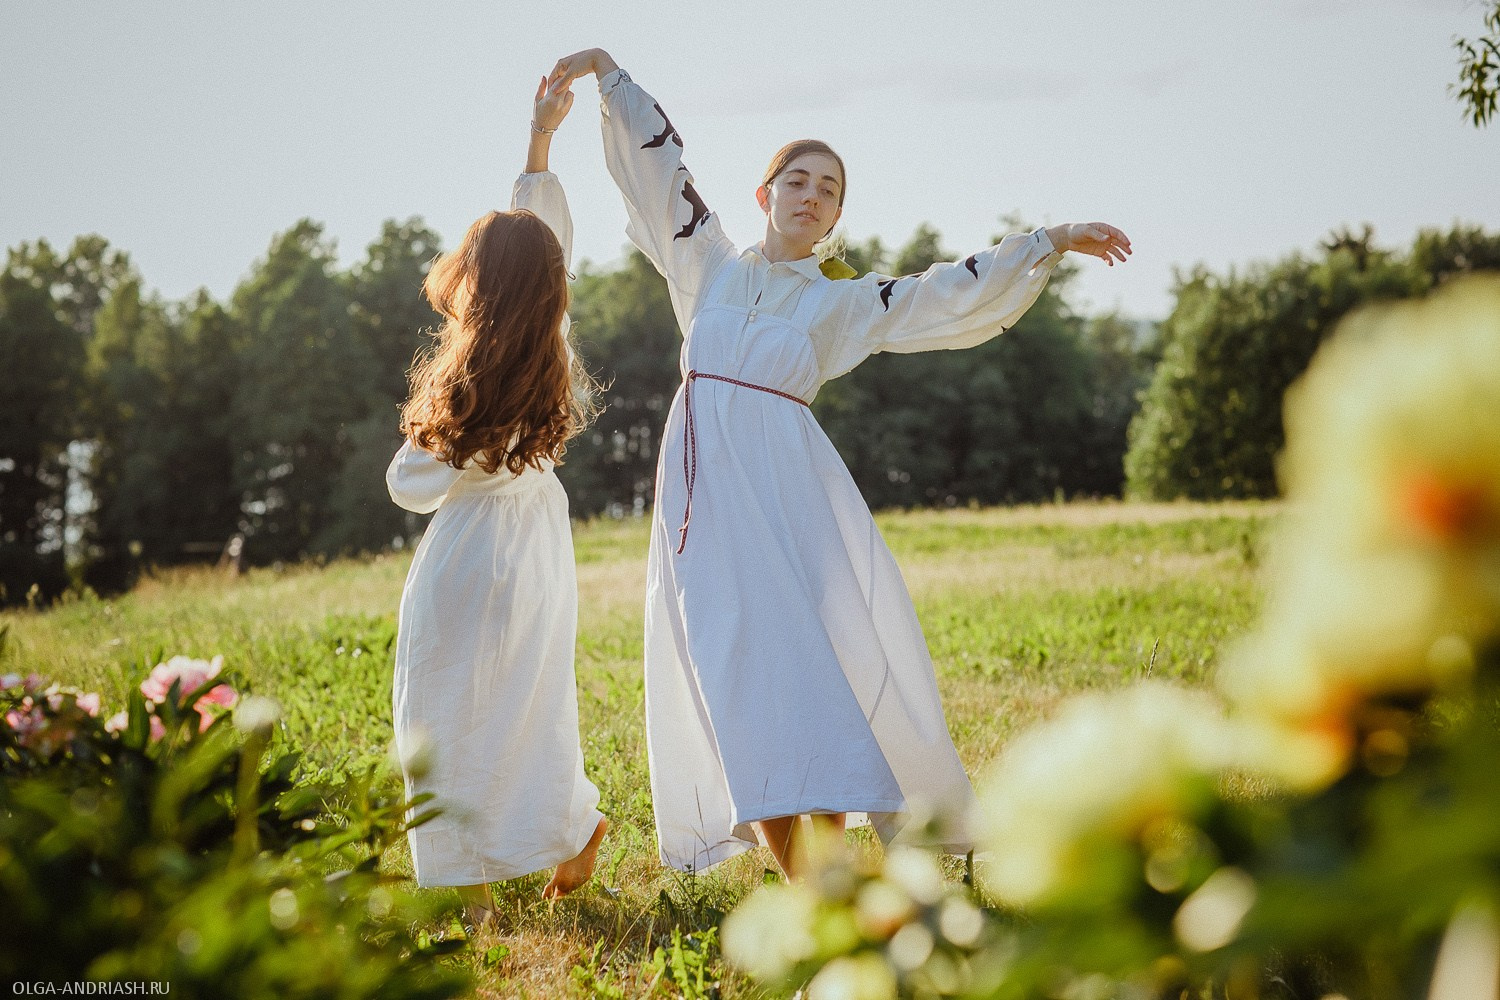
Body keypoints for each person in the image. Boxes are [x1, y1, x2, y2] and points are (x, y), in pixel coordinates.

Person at [550, 48, 1132, 879]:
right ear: (767, 195)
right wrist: (613, 79)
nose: (811, 196)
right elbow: (661, 174)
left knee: (810, 684)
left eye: (828, 192)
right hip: (702, 514)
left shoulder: (840, 303)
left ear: (833, 223)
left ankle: (827, 897)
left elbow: (942, 291)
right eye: (798, 180)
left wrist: (1053, 239)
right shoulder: (705, 264)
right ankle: (817, 892)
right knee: (737, 687)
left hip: (790, 504)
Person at [386, 74, 608, 923]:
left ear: (478, 286)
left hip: (473, 561)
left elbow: (411, 489)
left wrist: (421, 438)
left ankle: (474, 895)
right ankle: (573, 828)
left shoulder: (469, 379)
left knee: (443, 712)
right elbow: (541, 240)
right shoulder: (548, 349)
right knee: (532, 704)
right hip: (540, 559)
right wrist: (540, 146)